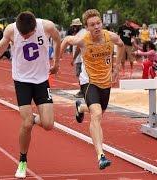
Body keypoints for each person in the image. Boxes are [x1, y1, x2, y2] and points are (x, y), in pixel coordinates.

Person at [0, 11, 61, 178]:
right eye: (22, 35)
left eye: (27, 35)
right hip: (22, 81)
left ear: (35, 29)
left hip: (41, 80)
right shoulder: (11, 30)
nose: (24, 38)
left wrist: (57, 61)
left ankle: (34, 118)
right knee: (26, 124)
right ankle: (22, 161)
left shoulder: (47, 26)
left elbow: (57, 39)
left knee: (48, 125)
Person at [60, 9, 125, 170]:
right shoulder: (83, 39)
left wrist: (116, 67)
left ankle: (81, 107)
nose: (96, 26)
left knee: (99, 110)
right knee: (96, 114)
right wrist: (55, 61)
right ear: (87, 27)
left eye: (98, 23)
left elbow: (122, 45)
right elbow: (67, 40)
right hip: (88, 81)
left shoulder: (110, 36)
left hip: (105, 82)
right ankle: (100, 156)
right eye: (92, 24)